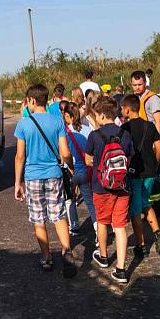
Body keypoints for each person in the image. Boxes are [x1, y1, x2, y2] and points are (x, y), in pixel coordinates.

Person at [14, 83, 77, 278]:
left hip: (33, 177)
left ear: (32, 101)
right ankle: (67, 251)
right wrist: (70, 166)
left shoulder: (24, 123)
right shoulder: (57, 121)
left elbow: (20, 156)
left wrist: (18, 182)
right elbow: (65, 152)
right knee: (58, 215)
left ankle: (47, 258)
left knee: (39, 219)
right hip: (54, 175)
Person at [85, 97, 135, 284]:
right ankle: (121, 270)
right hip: (122, 186)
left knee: (103, 222)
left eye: (96, 114)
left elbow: (88, 160)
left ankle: (104, 256)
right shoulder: (125, 134)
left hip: (101, 187)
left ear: (102, 115)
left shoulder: (94, 136)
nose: (95, 118)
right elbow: (129, 157)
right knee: (120, 227)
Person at [120, 95, 160, 256]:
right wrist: (155, 164)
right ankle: (158, 232)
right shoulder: (150, 126)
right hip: (150, 172)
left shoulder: (125, 129)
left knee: (135, 210)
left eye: (122, 108)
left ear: (127, 109)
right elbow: (159, 149)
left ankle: (140, 245)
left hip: (134, 173)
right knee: (146, 202)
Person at [62, 102, 96, 240]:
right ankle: (97, 228)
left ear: (68, 115)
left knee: (70, 200)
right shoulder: (88, 130)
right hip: (87, 171)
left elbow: (65, 154)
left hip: (71, 170)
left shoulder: (64, 132)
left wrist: (69, 167)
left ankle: (74, 227)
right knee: (90, 202)